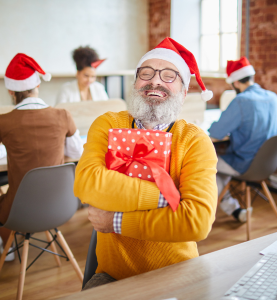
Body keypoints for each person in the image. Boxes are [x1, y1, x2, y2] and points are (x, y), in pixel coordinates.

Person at [74, 37, 217, 289]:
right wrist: (169, 198)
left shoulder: (195, 141)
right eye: (146, 73)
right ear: (135, 84)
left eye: (169, 75)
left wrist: (114, 221)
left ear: (184, 93)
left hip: (177, 273)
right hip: (113, 276)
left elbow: (197, 221)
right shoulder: (108, 124)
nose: (156, 80)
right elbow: (87, 183)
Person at [0, 53, 83, 261]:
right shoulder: (63, 116)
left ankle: (5, 240)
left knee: (0, 200)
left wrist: (5, 148)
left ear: (10, 91)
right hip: (62, 207)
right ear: (38, 85)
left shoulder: (2, 121)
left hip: (19, 213)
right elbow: (77, 153)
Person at [209, 57, 277, 223]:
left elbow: (217, 132)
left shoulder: (241, 101)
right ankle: (234, 210)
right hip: (268, 164)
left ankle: (215, 210)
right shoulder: (273, 97)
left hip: (244, 164)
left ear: (235, 83)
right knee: (221, 169)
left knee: (206, 164)